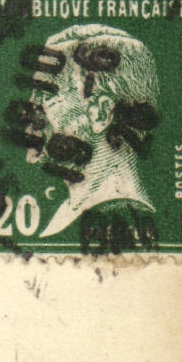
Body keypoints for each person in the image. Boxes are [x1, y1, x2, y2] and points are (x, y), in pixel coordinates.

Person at [25, 24, 160, 239]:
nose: (32, 109)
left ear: (101, 114)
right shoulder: (68, 212)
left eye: (48, 96)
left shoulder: (119, 217)